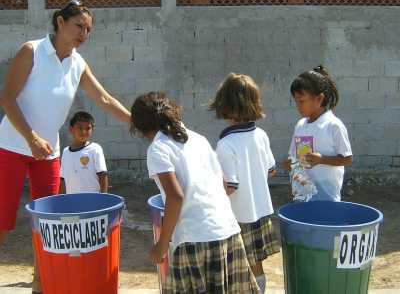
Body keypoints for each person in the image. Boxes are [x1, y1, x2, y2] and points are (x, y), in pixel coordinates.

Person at [0, 0, 130, 293]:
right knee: (3, 220)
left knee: (49, 225)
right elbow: (7, 98)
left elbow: (106, 100)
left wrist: (137, 123)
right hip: (10, 147)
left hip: (47, 154)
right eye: (78, 26)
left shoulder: (78, 64)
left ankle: (41, 284)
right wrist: (31, 137)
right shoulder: (31, 51)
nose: (84, 34)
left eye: (88, 29)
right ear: (60, 22)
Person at [130, 92, 260, 293]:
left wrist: (162, 243)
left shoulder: (158, 149)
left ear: (140, 127)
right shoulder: (197, 138)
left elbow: (175, 197)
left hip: (196, 238)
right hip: (227, 230)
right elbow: (220, 182)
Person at [209, 73, 280, 293]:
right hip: (260, 211)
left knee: (236, 269)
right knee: (256, 264)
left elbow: (230, 186)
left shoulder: (226, 144)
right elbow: (271, 171)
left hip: (237, 216)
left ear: (225, 105)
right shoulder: (261, 135)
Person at [283, 65, 353, 201]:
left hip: (327, 198)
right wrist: (290, 163)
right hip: (303, 197)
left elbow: (347, 159)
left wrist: (322, 160)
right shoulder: (301, 126)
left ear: (319, 99)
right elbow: (294, 158)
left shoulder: (333, 125)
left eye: (302, 101)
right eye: (296, 101)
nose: (298, 105)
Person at [59, 111, 108, 194]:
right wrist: (62, 199)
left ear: (92, 129)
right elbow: (62, 179)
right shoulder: (65, 151)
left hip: (92, 200)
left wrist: (103, 198)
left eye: (87, 128)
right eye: (80, 128)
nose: (83, 132)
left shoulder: (95, 149)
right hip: (72, 200)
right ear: (71, 129)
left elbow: (103, 175)